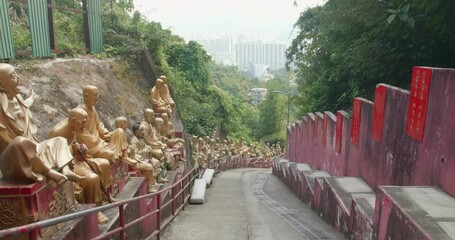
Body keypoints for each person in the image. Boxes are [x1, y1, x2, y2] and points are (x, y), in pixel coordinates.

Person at [0, 63, 82, 185]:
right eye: (13, 76)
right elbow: (8, 142)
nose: (18, 78)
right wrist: (29, 152)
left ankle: (65, 169)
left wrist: (32, 97)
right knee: (19, 142)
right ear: (1, 84)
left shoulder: (18, 99)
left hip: (33, 148)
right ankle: (48, 171)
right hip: (15, 158)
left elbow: (25, 107)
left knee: (60, 140)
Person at [49, 108, 112, 224]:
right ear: (73, 121)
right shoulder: (57, 132)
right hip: (65, 167)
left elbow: (74, 146)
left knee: (104, 164)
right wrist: (72, 149)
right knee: (91, 178)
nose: (85, 125)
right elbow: (55, 157)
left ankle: (103, 197)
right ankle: (94, 211)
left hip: (76, 160)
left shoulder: (74, 127)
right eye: (83, 122)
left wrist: (80, 148)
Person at [76, 85, 136, 165]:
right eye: (95, 95)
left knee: (119, 131)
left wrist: (105, 133)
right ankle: (117, 155)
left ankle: (125, 157)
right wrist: (98, 142)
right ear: (86, 96)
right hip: (93, 147)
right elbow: (82, 135)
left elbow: (98, 125)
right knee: (110, 155)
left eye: (98, 95)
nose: (97, 97)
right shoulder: (80, 112)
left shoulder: (93, 109)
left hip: (100, 141)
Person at [115, 117, 159, 193]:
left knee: (154, 162)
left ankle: (153, 182)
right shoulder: (123, 135)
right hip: (133, 159)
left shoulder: (139, 138)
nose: (143, 132)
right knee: (149, 166)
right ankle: (149, 187)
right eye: (141, 130)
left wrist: (147, 149)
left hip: (137, 158)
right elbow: (130, 152)